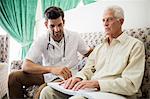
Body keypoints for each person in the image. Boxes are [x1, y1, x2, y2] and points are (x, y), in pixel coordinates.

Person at [39, 5, 145, 99]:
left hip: (115, 93)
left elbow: (131, 84)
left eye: (109, 20)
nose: (105, 24)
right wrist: (77, 78)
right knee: (47, 92)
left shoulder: (135, 46)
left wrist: (97, 84)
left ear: (121, 21)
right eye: (103, 20)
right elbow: (87, 69)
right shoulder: (99, 48)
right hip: (93, 91)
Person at [8, 6, 93, 99]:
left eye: (59, 25)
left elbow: (88, 53)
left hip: (66, 76)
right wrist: (51, 69)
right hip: (47, 75)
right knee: (13, 77)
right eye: (52, 26)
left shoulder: (75, 36)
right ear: (46, 24)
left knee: (40, 93)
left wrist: (103, 49)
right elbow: (26, 65)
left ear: (63, 22)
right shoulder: (41, 39)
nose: (56, 30)